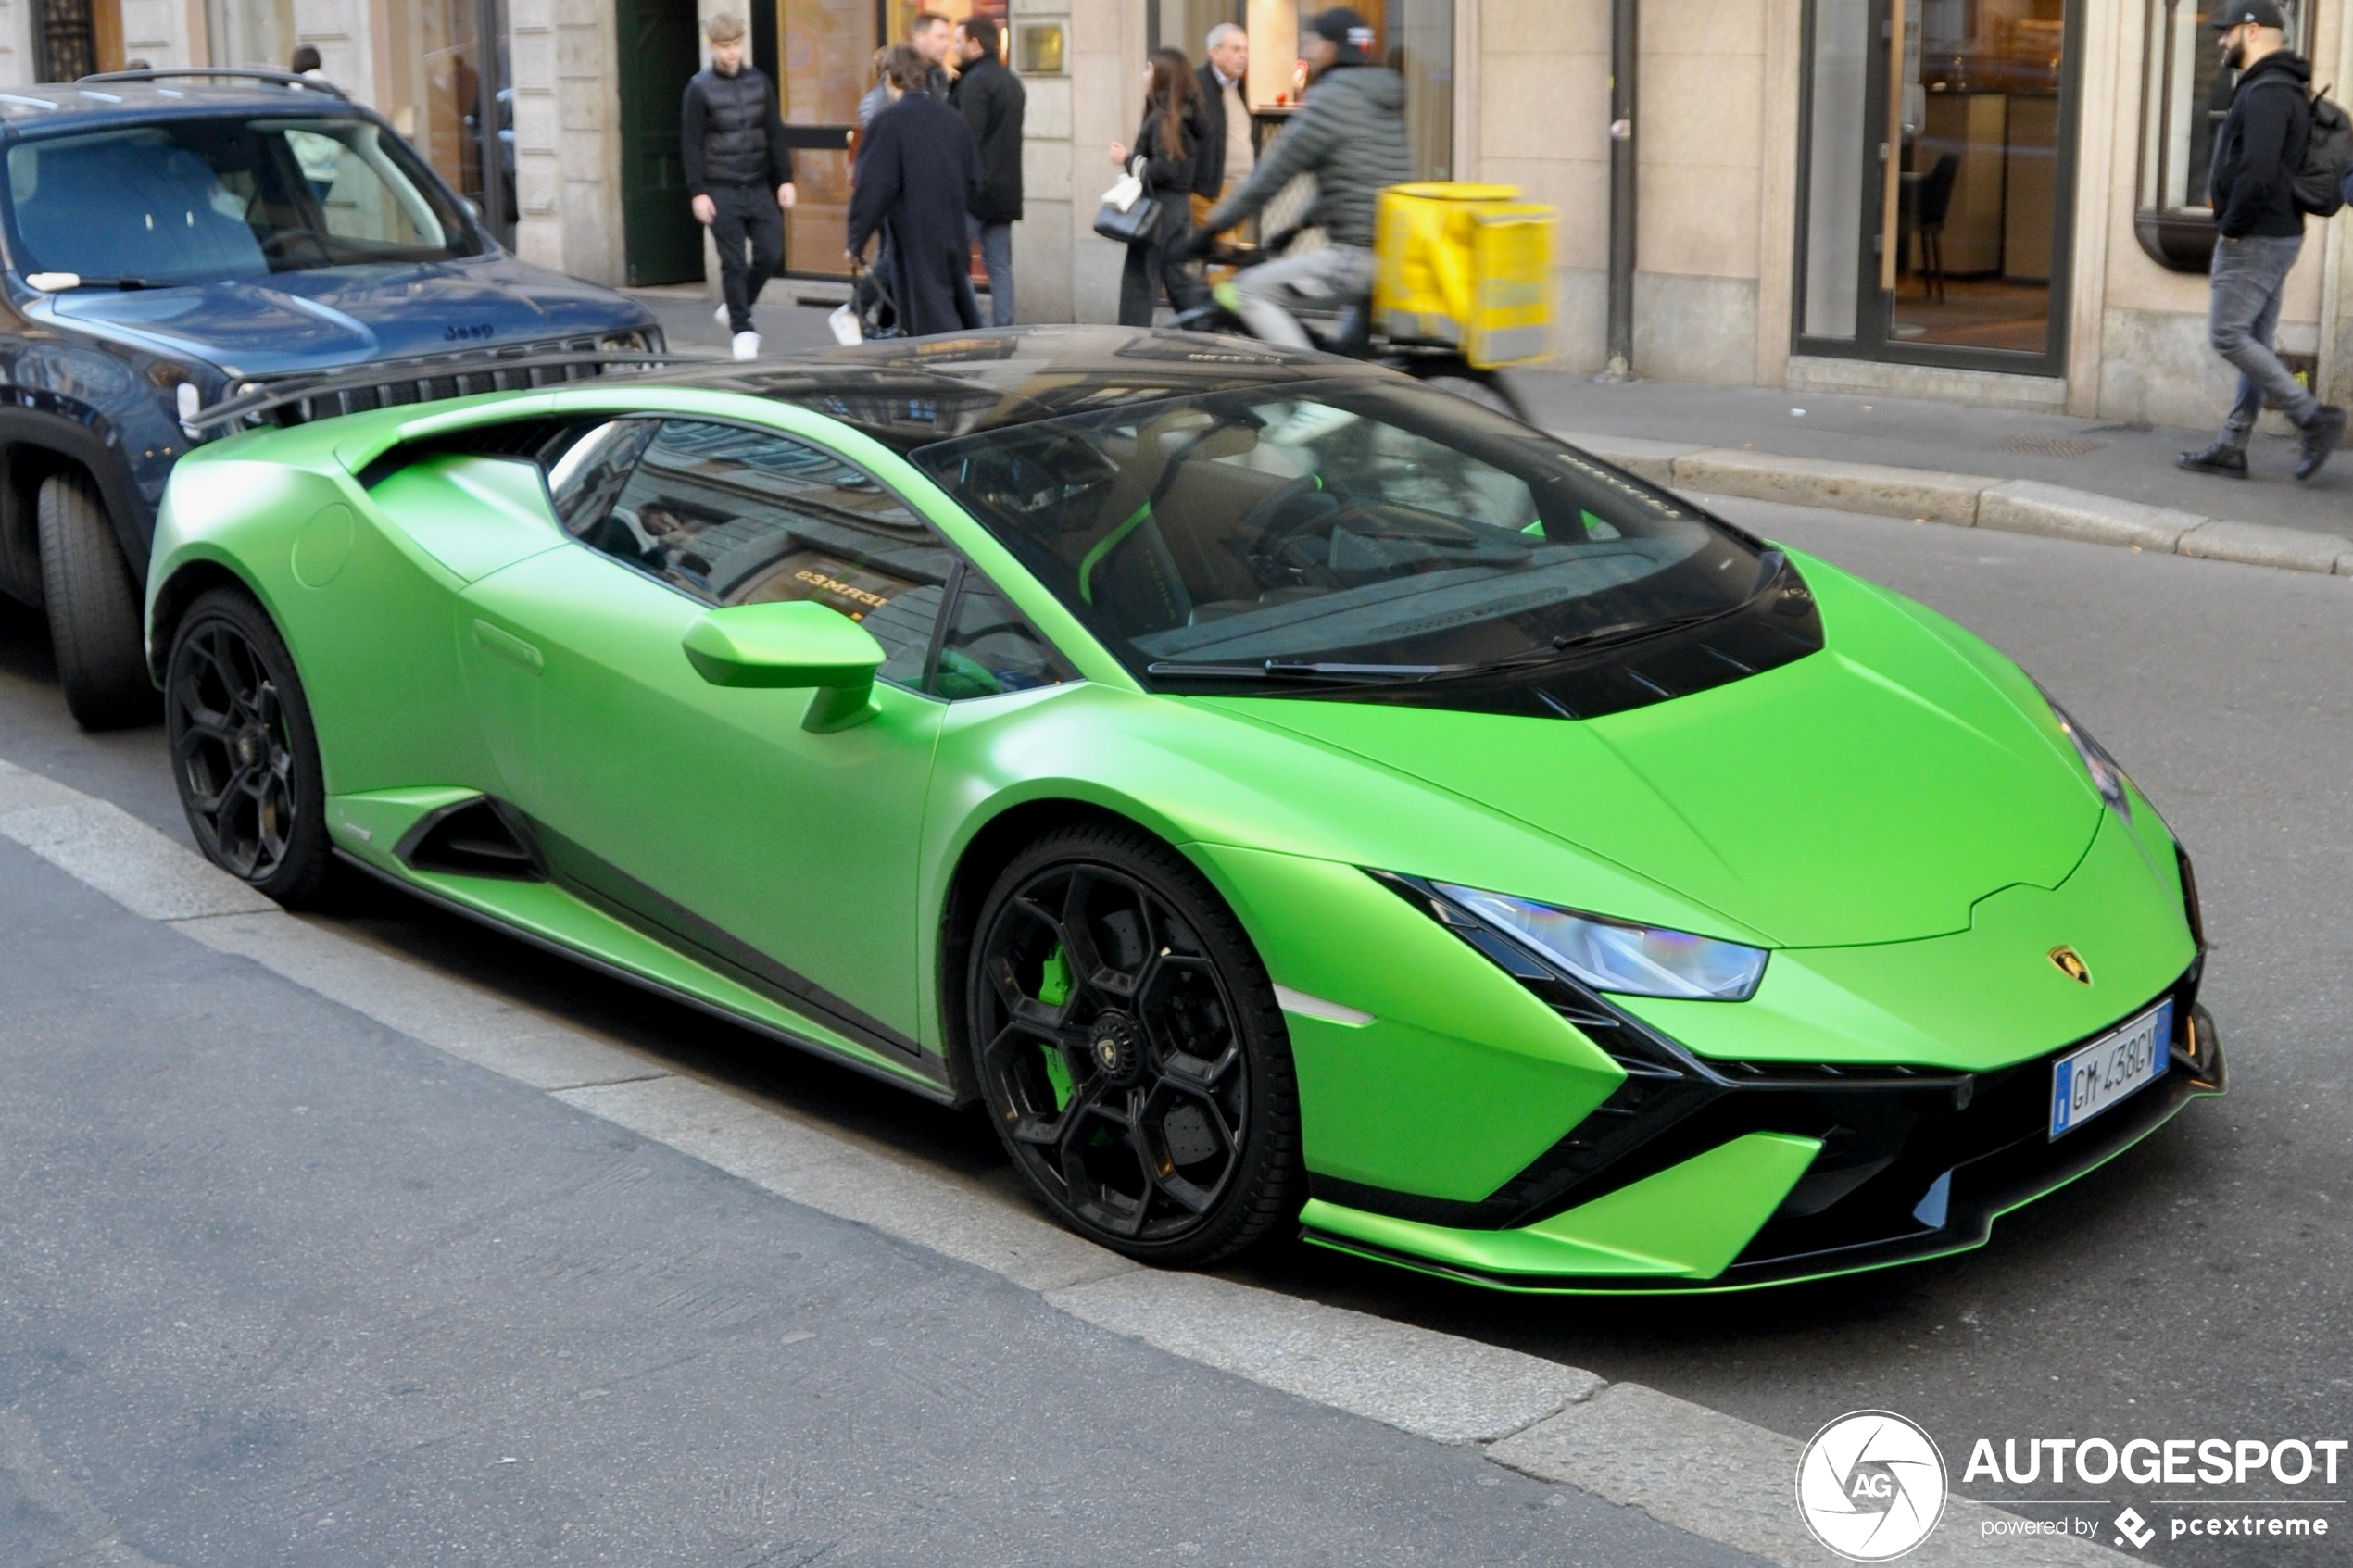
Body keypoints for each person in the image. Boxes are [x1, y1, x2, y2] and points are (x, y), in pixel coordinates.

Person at [2179, 0, 2347, 481]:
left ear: (2252, 31)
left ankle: (2314, 417)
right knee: (2253, 338)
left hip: (2255, 235)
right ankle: (2233, 444)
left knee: (2227, 334)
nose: (2220, 41)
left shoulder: (2270, 91)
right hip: (2274, 232)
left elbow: (2258, 168)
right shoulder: (2274, 86)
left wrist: (2231, 225)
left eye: (2226, 32)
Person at [1187, 8, 1409, 349]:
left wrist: (1210, 229)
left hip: (1354, 258)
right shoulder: (1379, 97)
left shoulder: (1331, 100)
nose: (1306, 49)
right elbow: (1353, 184)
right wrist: (1294, 228)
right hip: (1395, 252)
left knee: (1244, 291)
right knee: (1347, 358)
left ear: (1332, 48)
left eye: (1312, 41)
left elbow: (1269, 177)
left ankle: (1305, 396)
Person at [683, 13, 798, 361]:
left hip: (759, 183)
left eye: (735, 45)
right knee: (732, 262)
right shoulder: (699, 88)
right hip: (721, 187)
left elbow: (775, 133)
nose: (731, 53)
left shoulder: (760, 82)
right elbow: (691, 143)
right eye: (723, 47)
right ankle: (743, 329)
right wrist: (698, 191)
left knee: (771, 253)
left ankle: (736, 304)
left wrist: (786, 179)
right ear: (712, 47)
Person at [849, 44, 983, 337]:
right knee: (954, 302)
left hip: (913, 232)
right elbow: (974, 178)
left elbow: (873, 188)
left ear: (889, 79)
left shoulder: (888, 122)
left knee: (929, 316)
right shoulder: (952, 119)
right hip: (953, 229)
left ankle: (942, 373)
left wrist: (856, 241)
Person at [1112, 49, 1210, 328]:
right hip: (1179, 208)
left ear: (1162, 76)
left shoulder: (1164, 118)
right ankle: (1206, 327)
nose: (1144, 75)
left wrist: (1127, 159)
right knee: (1176, 278)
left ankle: (1130, 340)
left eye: (1148, 69)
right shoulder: (1183, 116)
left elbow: (1163, 170)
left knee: (1139, 279)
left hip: (1158, 210)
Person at [952, 18, 1025, 328]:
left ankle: (978, 326)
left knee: (952, 259)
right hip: (1006, 188)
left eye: (958, 41)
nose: (954, 47)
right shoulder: (1011, 81)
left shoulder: (975, 83)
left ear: (975, 44)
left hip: (975, 191)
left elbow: (967, 139)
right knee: (998, 264)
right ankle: (1003, 327)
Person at [1189, 23, 1256, 232]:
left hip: (1240, 190)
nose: (1243, 56)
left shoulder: (1239, 88)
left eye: (1245, 49)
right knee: (1222, 257)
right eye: (1236, 49)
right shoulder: (1196, 86)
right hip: (1210, 193)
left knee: (1230, 260)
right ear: (1214, 53)